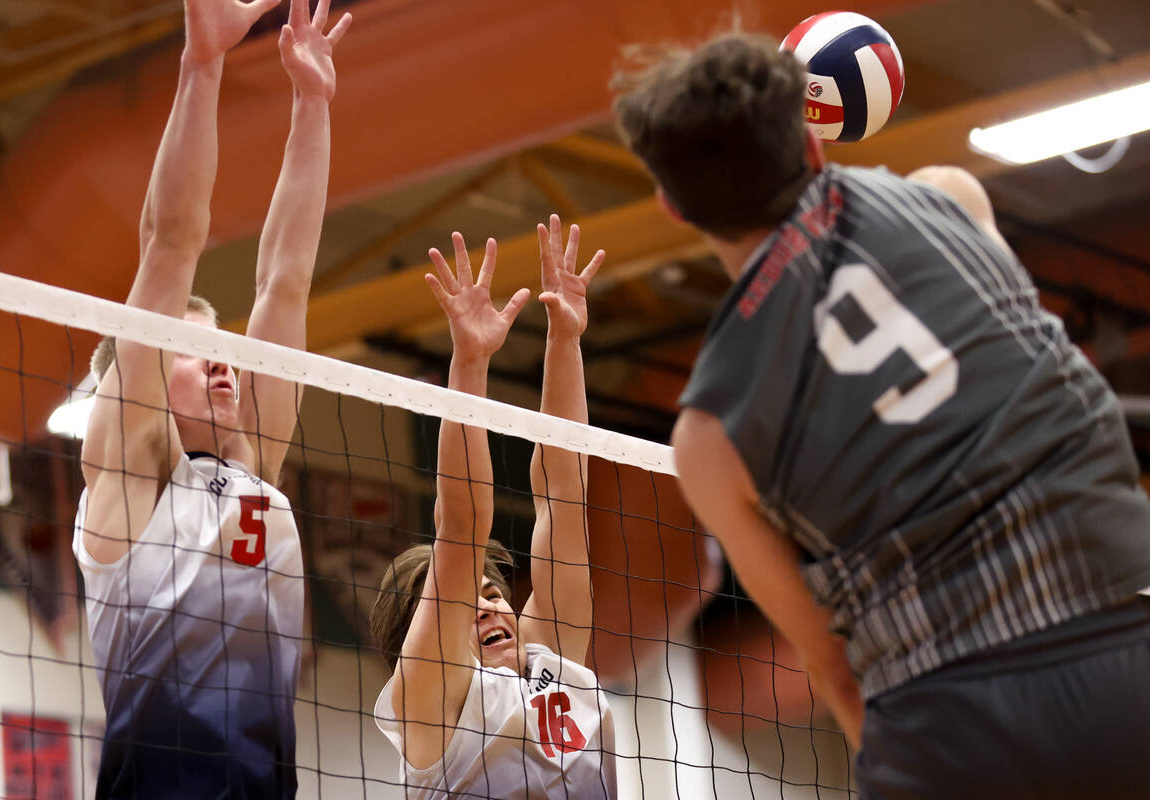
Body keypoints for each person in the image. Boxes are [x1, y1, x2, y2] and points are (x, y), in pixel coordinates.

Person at [612, 31, 1150, 799]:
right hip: (1122, 644)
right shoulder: (949, 199)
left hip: (948, 727)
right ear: (814, 144)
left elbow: (832, 667)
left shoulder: (707, 439)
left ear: (671, 205)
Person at [72, 0, 351, 795]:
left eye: (224, 352)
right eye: (197, 357)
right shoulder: (128, 480)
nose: (225, 367)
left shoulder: (253, 464)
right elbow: (170, 241)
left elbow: (285, 274)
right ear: (143, 387)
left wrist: (313, 106)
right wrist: (202, 65)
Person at [370, 217, 618, 799]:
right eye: (469, 599)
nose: (488, 605)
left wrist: (564, 340)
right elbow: (460, 527)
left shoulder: (548, 666)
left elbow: (563, 493)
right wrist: (470, 362)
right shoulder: (429, 701)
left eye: (493, 592)